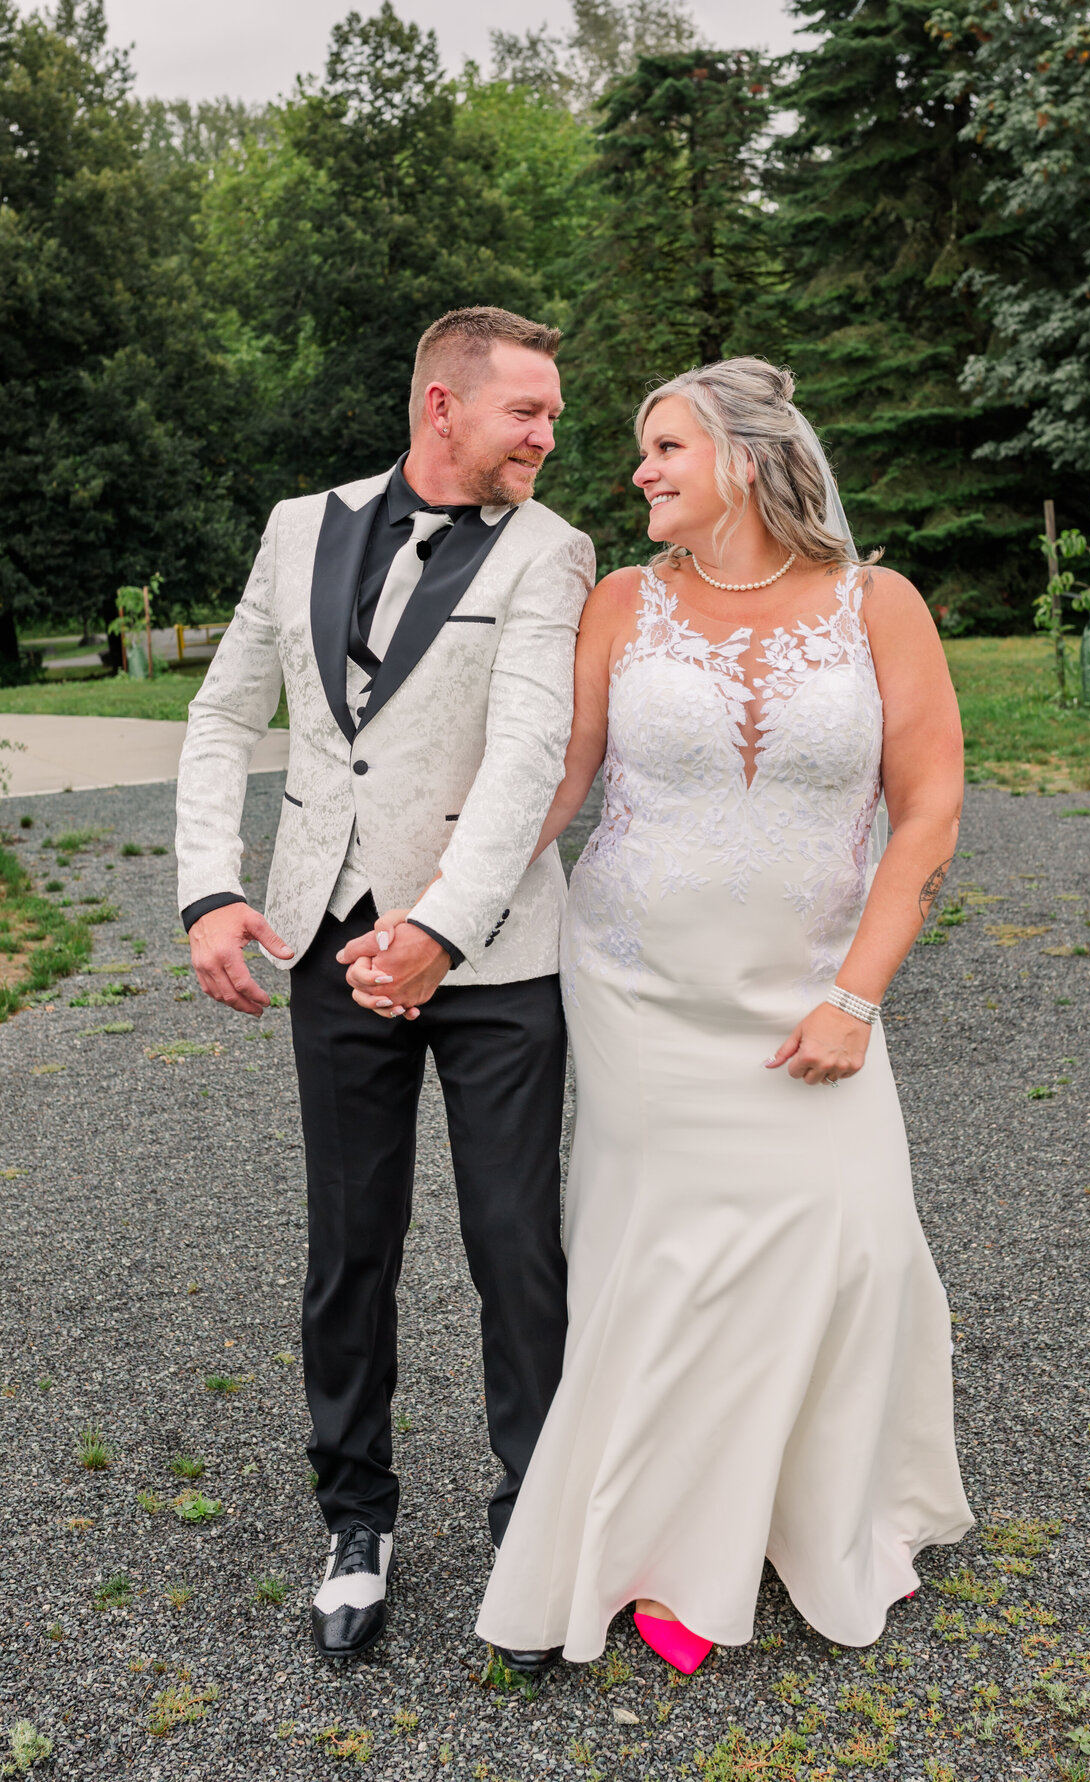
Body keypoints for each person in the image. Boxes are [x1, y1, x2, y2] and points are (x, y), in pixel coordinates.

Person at [473, 356, 972, 1674]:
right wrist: (436, 907)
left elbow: (928, 809)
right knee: (671, 1265)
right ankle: (664, 1545)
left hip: (815, 991)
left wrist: (856, 996)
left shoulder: (880, 606)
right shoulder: (622, 604)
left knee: (852, 1241)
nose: (639, 469)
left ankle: (816, 1509)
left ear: (745, 460)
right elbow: (558, 785)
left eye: (666, 447)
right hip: (640, 991)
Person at [174, 306, 594, 1667]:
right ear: (441, 405)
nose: (549, 434)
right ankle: (355, 1518)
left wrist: (439, 931)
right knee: (349, 1244)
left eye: (553, 413)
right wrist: (208, 888)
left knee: (515, 1245)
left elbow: (529, 755)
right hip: (325, 937)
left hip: (494, 954)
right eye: (527, 410)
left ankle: (533, 1529)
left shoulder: (551, 550)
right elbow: (224, 712)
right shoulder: (300, 526)